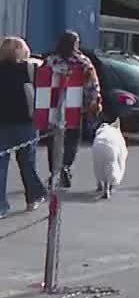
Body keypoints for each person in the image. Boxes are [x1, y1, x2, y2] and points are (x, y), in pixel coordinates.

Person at [43, 31, 101, 190]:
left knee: (53, 140)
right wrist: (93, 103)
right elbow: (92, 85)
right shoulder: (83, 62)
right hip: (75, 107)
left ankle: (54, 170)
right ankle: (66, 167)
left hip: (54, 106)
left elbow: (42, 82)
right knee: (72, 139)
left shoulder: (51, 61)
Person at [0, 36, 46, 214]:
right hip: (26, 122)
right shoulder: (29, 69)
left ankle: (1, 206)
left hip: (2, 123)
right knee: (27, 163)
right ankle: (33, 197)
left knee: (1, 166)